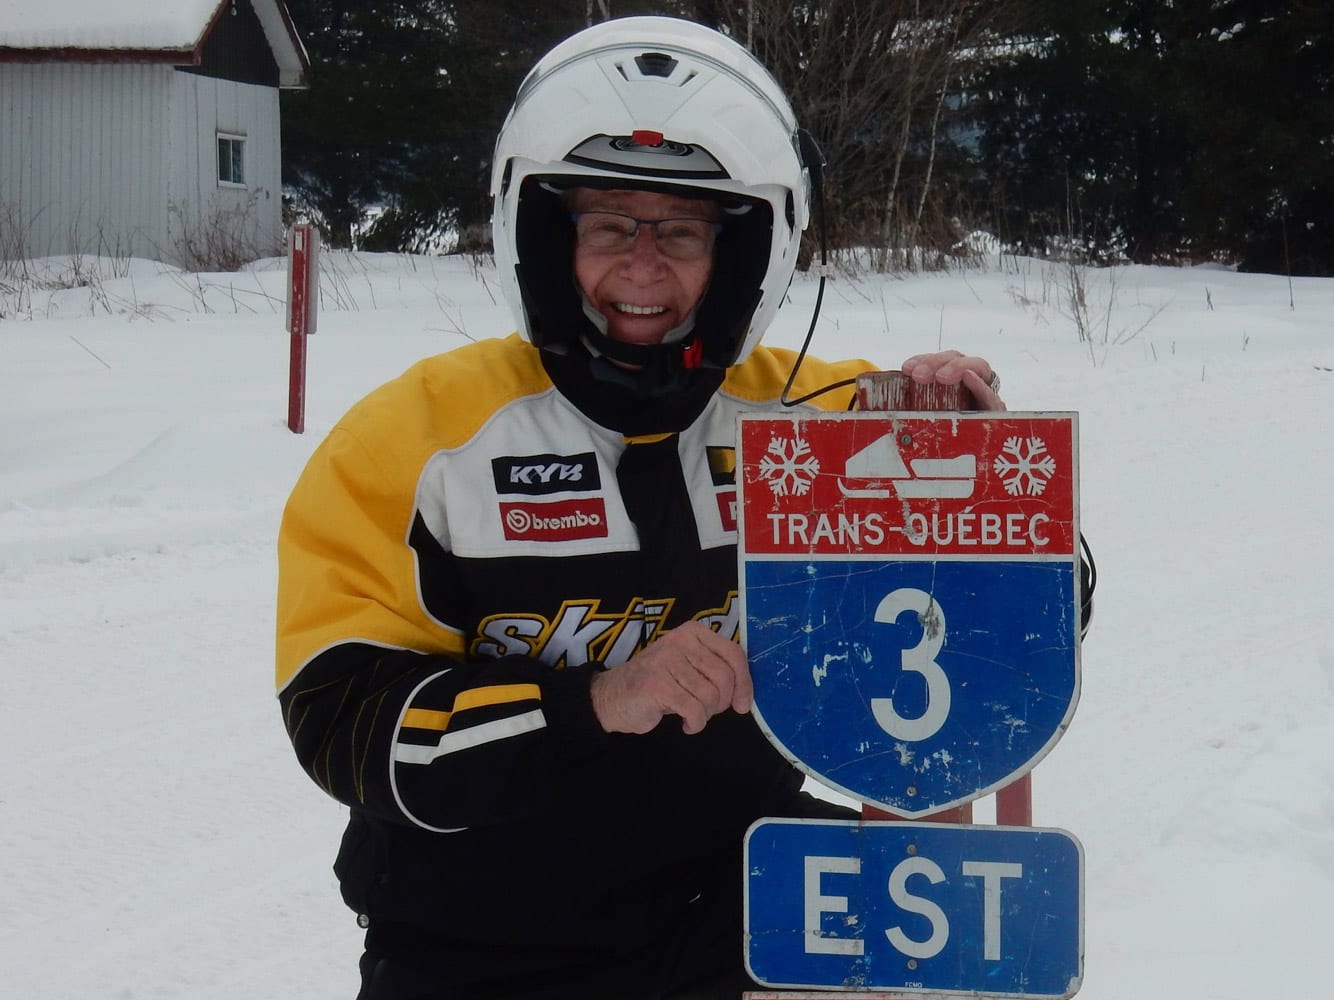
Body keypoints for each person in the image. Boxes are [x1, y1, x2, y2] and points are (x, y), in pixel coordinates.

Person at [275, 16, 1007, 1000]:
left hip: (740, 909)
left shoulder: (810, 418)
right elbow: (342, 722)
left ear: (739, 252)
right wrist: (593, 702)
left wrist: (980, 463)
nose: (644, 265)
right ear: (543, 236)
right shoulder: (417, 443)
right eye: (609, 224)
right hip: (478, 939)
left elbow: (1034, 622)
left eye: (683, 231)